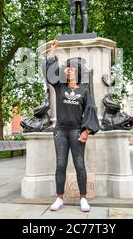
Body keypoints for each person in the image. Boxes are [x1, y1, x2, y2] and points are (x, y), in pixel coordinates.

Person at [45, 40, 99, 212]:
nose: (70, 70)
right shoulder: (59, 88)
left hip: (77, 131)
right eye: (68, 69)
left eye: (73, 68)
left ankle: (83, 198)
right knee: (61, 164)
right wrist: (53, 50)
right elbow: (49, 72)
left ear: (78, 73)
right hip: (60, 131)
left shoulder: (84, 91)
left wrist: (86, 131)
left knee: (79, 165)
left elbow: (90, 110)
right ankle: (59, 198)